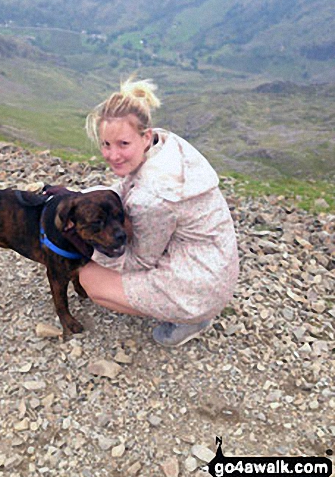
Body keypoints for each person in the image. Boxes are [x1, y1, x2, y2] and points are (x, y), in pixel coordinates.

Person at [79, 78, 239, 347]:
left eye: (122, 144)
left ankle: (189, 318)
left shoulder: (153, 198)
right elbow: (127, 187)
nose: (112, 154)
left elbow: (139, 262)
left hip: (201, 284)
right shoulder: (163, 142)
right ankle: (189, 308)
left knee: (90, 279)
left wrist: (88, 248)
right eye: (106, 144)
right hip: (216, 262)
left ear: (144, 136)